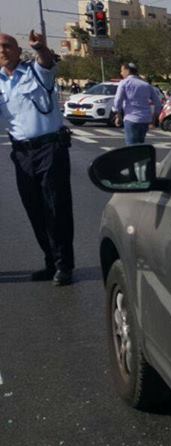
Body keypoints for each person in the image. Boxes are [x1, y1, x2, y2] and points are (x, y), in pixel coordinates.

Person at [0, 31, 74, 285]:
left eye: (7, 45)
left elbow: (47, 62)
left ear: (18, 50)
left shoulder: (36, 71)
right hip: (21, 153)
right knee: (35, 210)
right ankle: (50, 262)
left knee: (56, 208)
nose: (3, 50)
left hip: (50, 149)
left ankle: (64, 265)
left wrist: (41, 47)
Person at [112, 62, 163, 144]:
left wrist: (118, 115)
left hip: (131, 118)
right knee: (140, 144)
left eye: (122, 70)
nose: (121, 73)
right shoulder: (146, 85)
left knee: (132, 146)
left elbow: (118, 101)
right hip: (145, 119)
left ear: (127, 71)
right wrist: (154, 118)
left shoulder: (124, 83)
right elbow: (158, 103)